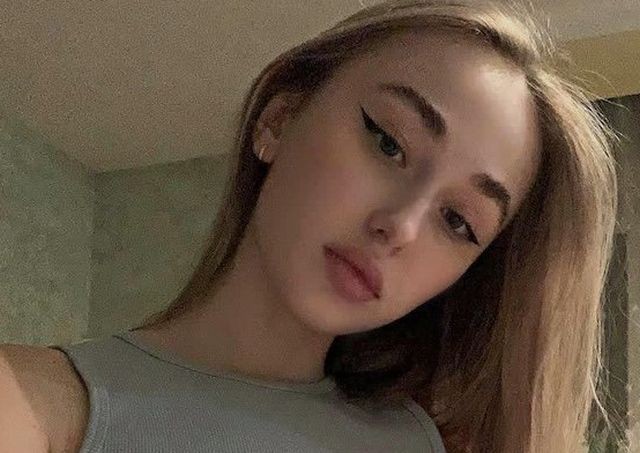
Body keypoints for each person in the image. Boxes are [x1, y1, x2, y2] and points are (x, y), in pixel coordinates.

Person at [0, 1, 621, 452]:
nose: (401, 227)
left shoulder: (418, 443)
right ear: (279, 119)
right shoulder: (40, 403)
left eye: (458, 222)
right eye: (388, 142)